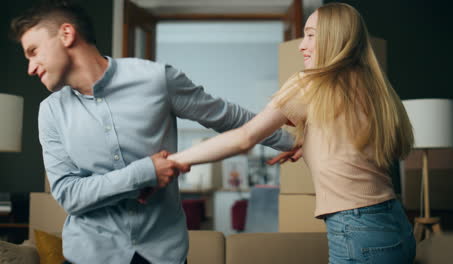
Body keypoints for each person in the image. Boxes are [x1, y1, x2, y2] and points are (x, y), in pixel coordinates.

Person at [10, 2, 294, 263]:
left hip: (163, 254)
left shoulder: (156, 79)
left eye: (33, 51)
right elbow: (70, 195)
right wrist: (145, 172)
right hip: (88, 255)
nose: (30, 69)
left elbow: (229, 118)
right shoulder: (51, 112)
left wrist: (293, 142)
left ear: (66, 34)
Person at [168, 3, 416, 263]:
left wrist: (176, 160)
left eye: (310, 35)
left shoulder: (311, 83)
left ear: (333, 37)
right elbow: (348, 144)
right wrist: (305, 145)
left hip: (357, 228)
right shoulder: (372, 85)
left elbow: (244, 138)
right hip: (395, 222)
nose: (301, 45)